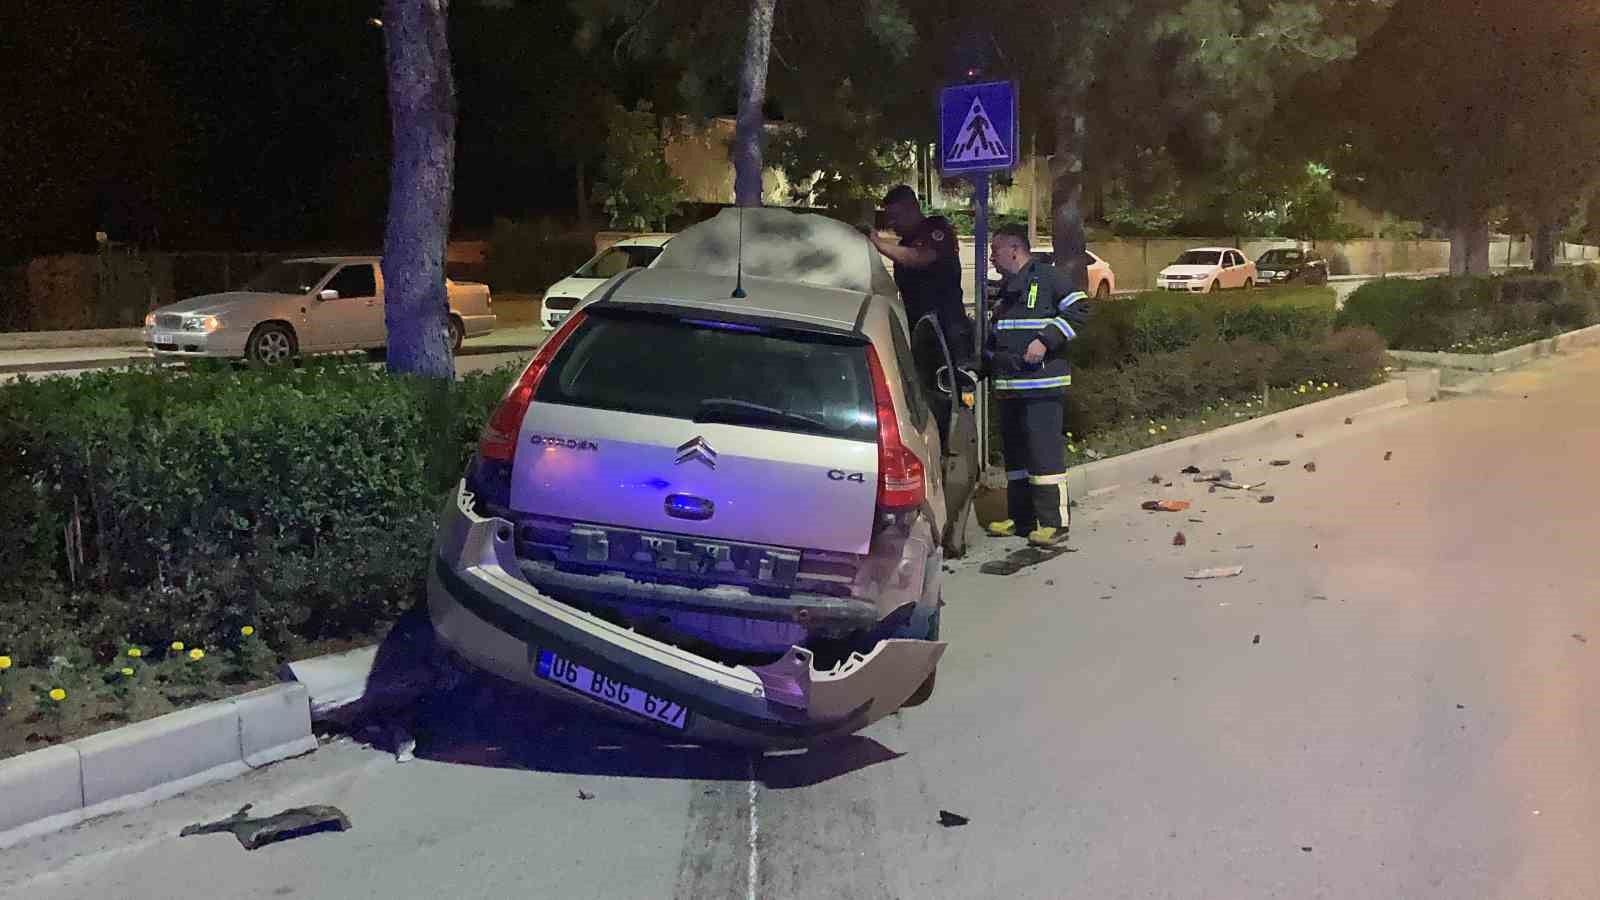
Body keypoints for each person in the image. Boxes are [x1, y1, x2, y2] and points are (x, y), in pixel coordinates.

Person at [980, 224, 1088, 547]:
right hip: (1011, 384)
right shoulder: (1009, 288)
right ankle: (1022, 518)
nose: (991, 258)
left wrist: (1045, 339)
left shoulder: (1047, 277)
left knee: (1043, 455)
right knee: (1016, 457)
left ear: (1015, 248)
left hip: (1041, 384)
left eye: (995, 250)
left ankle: (1054, 523)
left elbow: (1080, 309)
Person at [866, 185, 972, 361]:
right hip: (919, 329)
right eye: (889, 217)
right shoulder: (904, 243)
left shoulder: (936, 229)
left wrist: (878, 243)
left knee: (945, 384)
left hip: (945, 329)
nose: (891, 223)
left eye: (895, 216)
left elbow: (919, 257)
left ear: (912, 209)